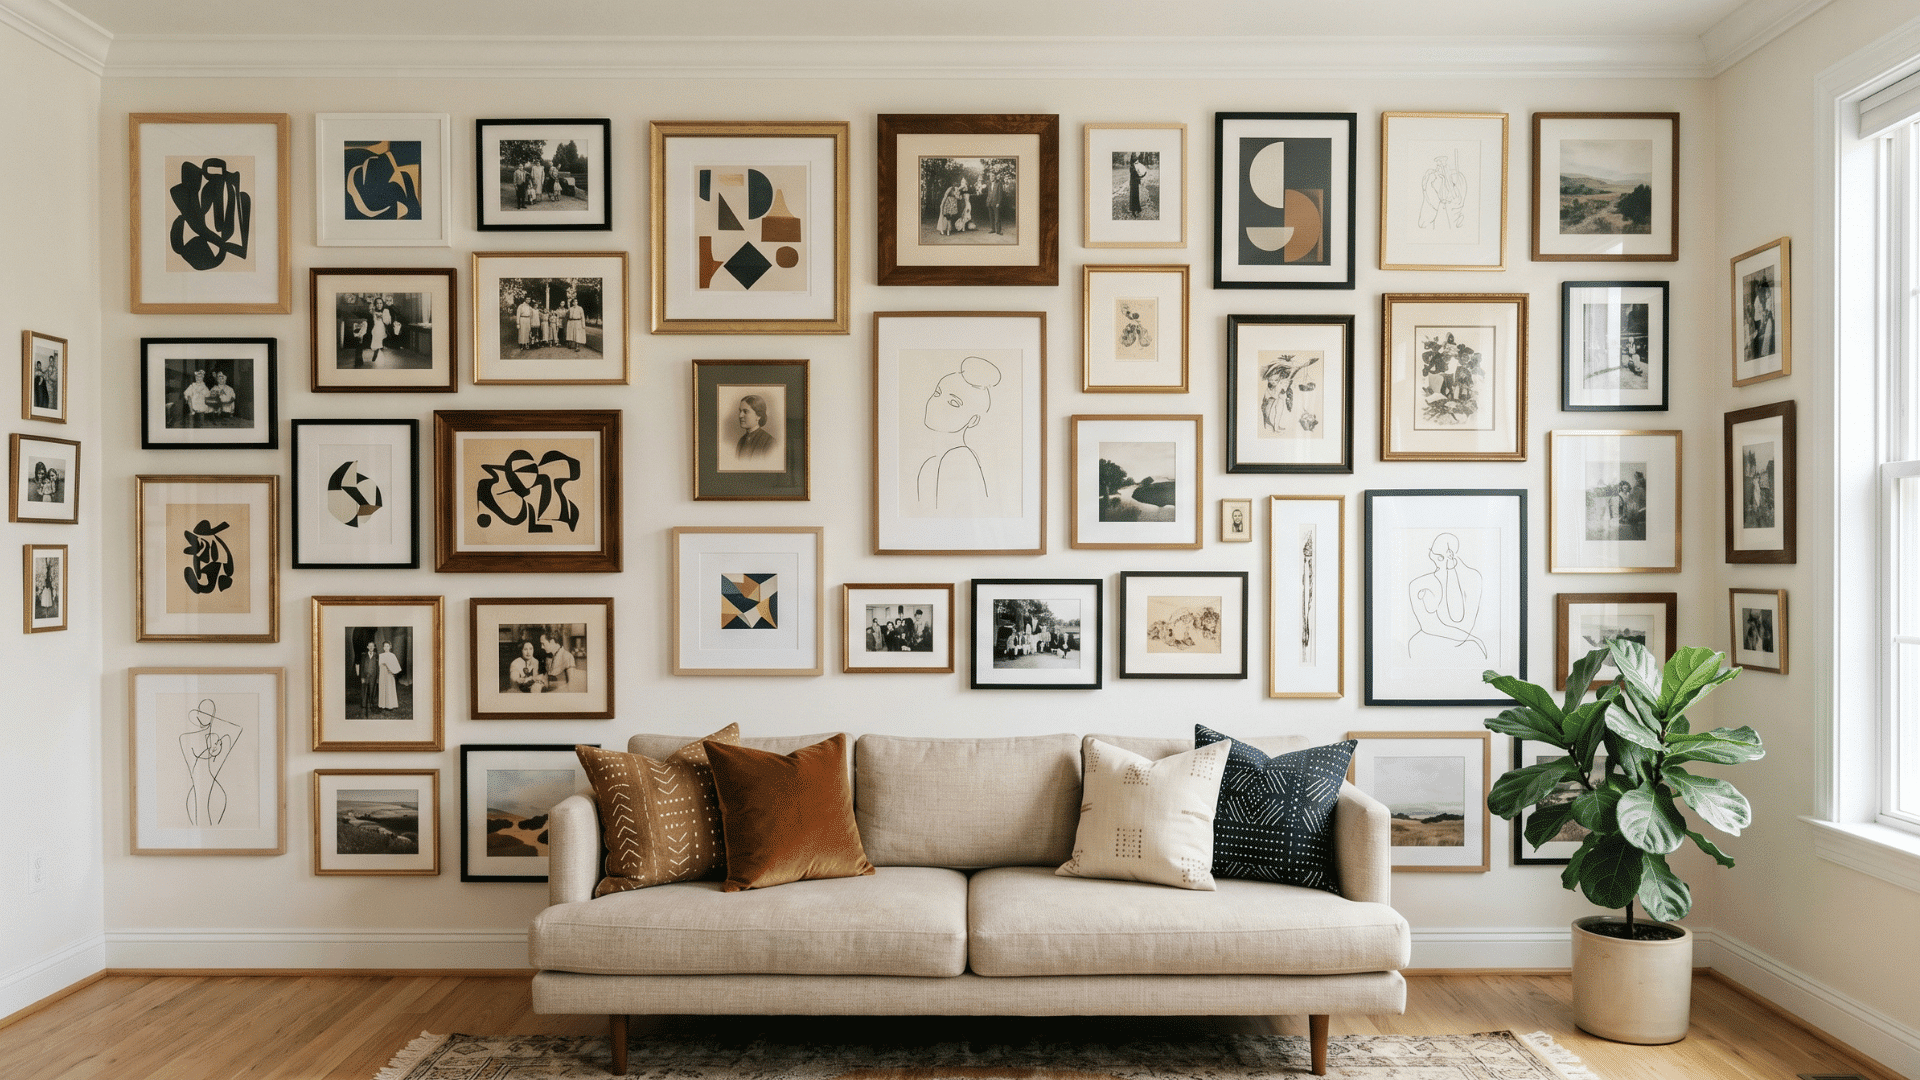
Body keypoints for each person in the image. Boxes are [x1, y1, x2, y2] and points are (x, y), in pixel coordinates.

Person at [916, 355, 1001, 510]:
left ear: (973, 420)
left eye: (953, 403)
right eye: (937, 393)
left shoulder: (958, 458)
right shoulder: (930, 465)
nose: (937, 404)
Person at [1406, 532, 1487, 660]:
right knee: (1416, 642)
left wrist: (1472, 638)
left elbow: (1466, 625)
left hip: (1457, 640)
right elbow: (1427, 626)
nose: (1436, 564)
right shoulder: (1419, 584)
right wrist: (1474, 639)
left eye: (1439, 558)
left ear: (1450, 555)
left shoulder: (1473, 578)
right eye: (1433, 558)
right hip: (1434, 641)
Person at [735, 395, 775, 459]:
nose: (740, 415)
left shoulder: (769, 442)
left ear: (758, 416)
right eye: (740, 411)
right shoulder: (741, 441)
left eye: (745, 411)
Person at [366, 296, 393, 366]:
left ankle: (377, 350)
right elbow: (371, 316)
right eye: (377, 303)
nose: (379, 305)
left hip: (382, 328)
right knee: (375, 334)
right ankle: (376, 350)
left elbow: (388, 322)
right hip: (374, 328)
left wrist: (383, 316)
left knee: (378, 334)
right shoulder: (373, 311)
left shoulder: (385, 311)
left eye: (381, 303)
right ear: (375, 304)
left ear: (383, 304)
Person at [377, 640, 403, 712]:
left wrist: (392, 670)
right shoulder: (381, 655)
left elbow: (396, 666)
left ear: (390, 647)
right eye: (385, 646)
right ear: (383, 647)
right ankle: (382, 705)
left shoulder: (392, 655)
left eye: (387, 646)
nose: (386, 647)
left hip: (389, 674)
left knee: (389, 687)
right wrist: (383, 666)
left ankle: (390, 705)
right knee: (383, 687)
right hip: (382, 674)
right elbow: (379, 665)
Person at [357, 640, 380, 715]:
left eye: (372, 646)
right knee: (364, 689)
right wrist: (362, 677)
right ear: (367, 647)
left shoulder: (377, 655)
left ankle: (371, 703)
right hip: (365, 675)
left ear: (374, 647)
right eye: (369, 646)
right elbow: (361, 667)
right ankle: (364, 704)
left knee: (372, 689)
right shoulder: (364, 655)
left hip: (373, 676)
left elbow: (378, 667)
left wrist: (377, 678)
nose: (371, 647)